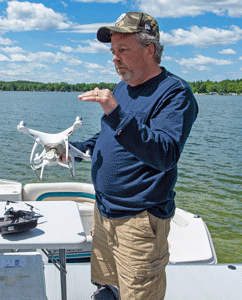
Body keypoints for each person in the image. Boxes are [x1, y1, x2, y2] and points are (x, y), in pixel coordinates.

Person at [67, 12, 198, 299]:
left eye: (123, 50)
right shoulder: (123, 87)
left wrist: (115, 112)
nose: (115, 58)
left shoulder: (175, 93)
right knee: (109, 286)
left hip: (139, 221)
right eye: (113, 51)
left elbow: (165, 153)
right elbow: (108, 135)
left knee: (139, 293)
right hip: (104, 213)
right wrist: (74, 149)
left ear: (149, 50)